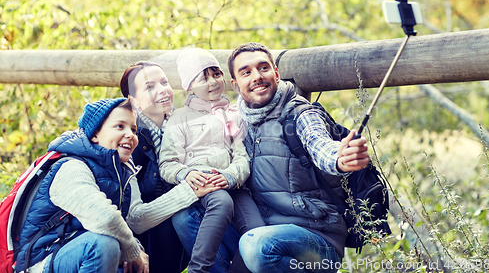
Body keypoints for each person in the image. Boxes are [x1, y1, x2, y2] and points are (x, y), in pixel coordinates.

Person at [15, 97, 218, 273]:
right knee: (103, 244)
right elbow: (104, 218)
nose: (130, 134)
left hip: (78, 251)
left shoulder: (123, 170)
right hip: (43, 260)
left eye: (133, 129)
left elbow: (134, 218)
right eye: (119, 126)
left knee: (116, 242)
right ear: (95, 134)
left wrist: (190, 191)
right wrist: (133, 251)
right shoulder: (72, 167)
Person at [226, 42, 371, 273]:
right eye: (246, 72)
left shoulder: (300, 115)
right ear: (235, 84)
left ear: (276, 72)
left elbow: (321, 146)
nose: (257, 77)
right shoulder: (235, 122)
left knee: (257, 245)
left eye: (264, 68)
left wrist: (341, 158)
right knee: (191, 218)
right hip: (262, 227)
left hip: (316, 236)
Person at [158, 48, 264, 273]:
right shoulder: (180, 118)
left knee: (257, 232)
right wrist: (185, 174)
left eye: (216, 74)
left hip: (231, 183)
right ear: (189, 87)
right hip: (201, 183)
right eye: (202, 78)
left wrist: (229, 176)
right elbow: (167, 163)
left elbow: (242, 156)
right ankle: (199, 268)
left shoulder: (233, 114)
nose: (212, 82)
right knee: (221, 203)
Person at [120, 61, 190, 272]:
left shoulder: (186, 124)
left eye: (164, 82)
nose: (162, 90)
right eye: (150, 87)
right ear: (133, 101)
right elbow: (128, 209)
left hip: (183, 213)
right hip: (142, 227)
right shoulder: (129, 138)